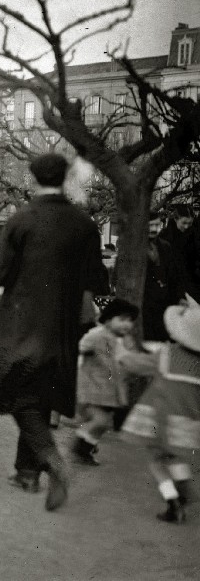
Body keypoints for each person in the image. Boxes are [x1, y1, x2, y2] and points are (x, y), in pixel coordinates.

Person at [0, 153, 109, 512]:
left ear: (34, 178)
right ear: (65, 178)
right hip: (64, 328)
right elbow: (98, 279)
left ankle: (52, 460)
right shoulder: (85, 225)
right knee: (38, 397)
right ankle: (26, 473)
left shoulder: (21, 220)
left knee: (18, 395)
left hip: (21, 324)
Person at [119, 295, 200, 524]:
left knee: (156, 461)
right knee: (173, 456)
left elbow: (136, 364)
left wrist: (123, 355)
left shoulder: (167, 353)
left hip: (161, 418)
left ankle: (173, 503)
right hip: (188, 421)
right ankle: (182, 486)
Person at [72, 298, 139, 466]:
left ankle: (86, 447)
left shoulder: (127, 341)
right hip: (93, 386)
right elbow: (81, 347)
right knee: (100, 420)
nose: (126, 324)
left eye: (130, 320)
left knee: (102, 424)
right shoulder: (98, 335)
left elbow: (130, 359)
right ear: (108, 320)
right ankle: (80, 444)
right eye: (122, 319)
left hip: (111, 390)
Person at [143, 212, 197, 341]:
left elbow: (174, 275)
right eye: (150, 225)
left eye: (157, 225)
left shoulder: (165, 246)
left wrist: (180, 297)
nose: (154, 229)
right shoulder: (133, 248)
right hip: (144, 303)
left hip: (164, 302)